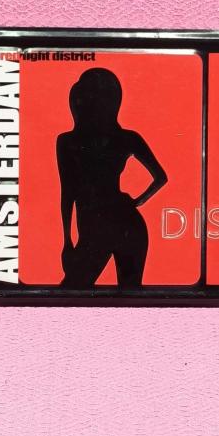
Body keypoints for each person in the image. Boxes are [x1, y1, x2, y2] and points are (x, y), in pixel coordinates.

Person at [56, 67, 167, 288]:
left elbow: (68, 192)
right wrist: (135, 202)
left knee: (81, 291)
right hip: (119, 222)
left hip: (108, 223)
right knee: (126, 293)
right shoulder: (124, 138)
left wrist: (67, 240)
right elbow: (160, 178)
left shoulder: (68, 141)